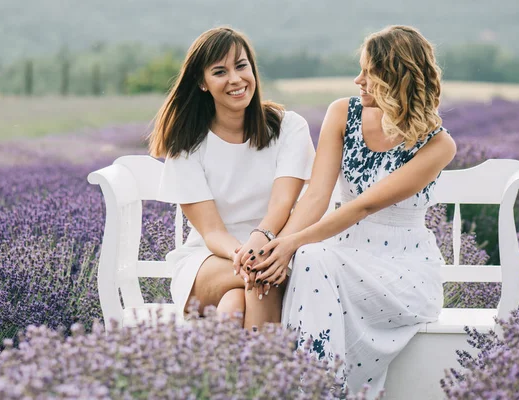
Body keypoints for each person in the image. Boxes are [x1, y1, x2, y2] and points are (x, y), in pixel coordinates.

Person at [251, 25, 457, 395]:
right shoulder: (342, 113)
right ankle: (315, 388)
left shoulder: (439, 145)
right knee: (310, 259)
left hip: (401, 267)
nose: (358, 80)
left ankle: (312, 389)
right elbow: (316, 196)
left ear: (398, 80)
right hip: (341, 250)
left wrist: (291, 245)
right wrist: (277, 247)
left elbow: (365, 204)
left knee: (311, 258)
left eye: (370, 74)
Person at [150, 26, 315, 330]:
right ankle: (267, 373)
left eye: (241, 66)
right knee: (259, 275)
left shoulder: (288, 128)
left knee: (233, 305)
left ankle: (231, 375)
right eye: (220, 72)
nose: (236, 79)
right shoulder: (186, 144)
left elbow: (282, 203)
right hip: (208, 261)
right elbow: (211, 232)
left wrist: (260, 242)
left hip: (274, 252)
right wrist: (245, 255)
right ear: (202, 82)